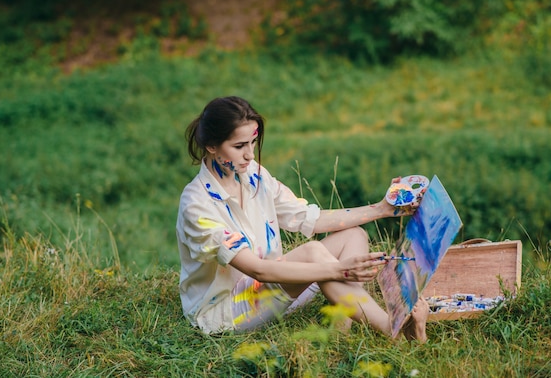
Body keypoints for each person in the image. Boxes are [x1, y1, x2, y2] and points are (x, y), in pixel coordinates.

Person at [176, 96, 428, 341]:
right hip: (229, 310)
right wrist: (340, 269)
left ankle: (341, 325)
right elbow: (258, 270)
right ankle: (394, 330)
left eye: (252, 143)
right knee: (313, 252)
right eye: (239, 146)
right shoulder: (197, 204)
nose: (250, 155)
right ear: (211, 146)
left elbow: (310, 219)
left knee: (354, 235)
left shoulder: (254, 175)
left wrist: (381, 209)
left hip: (274, 287)